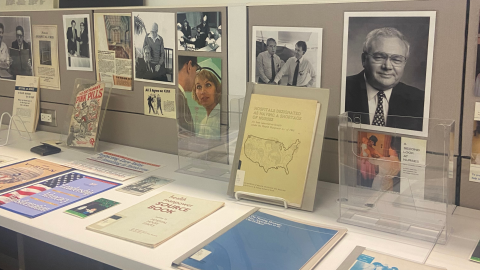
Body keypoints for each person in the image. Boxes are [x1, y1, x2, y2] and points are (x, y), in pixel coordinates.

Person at [345, 27, 425, 131]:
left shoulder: (420, 101)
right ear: (364, 60)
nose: (387, 66)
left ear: (404, 63)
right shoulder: (342, 90)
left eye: (396, 59)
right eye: (379, 57)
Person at [192, 69, 221, 139]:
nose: (203, 91)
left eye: (208, 85)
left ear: (217, 89)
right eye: (199, 87)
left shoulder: (221, 118)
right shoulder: (203, 122)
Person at [177, 56, 199, 133]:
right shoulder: (179, 98)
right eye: (196, 70)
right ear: (189, 67)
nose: (196, 76)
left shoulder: (177, 95)